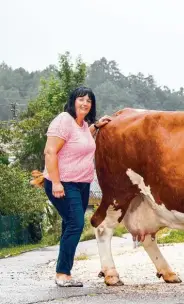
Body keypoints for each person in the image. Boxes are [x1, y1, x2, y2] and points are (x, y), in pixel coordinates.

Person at [42, 86, 112, 287]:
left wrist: (96, 126)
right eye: (81, 99)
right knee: (75, 224)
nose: (85, 103)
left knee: (69, 225)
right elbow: (50, 152)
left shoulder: (81, 125)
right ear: (73, 101)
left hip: (81, 185)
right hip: (63, 183)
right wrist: (56, 182)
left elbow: (79, 141)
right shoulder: (63, 120)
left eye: (89, 101)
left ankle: (63, 270)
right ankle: (63, 274)